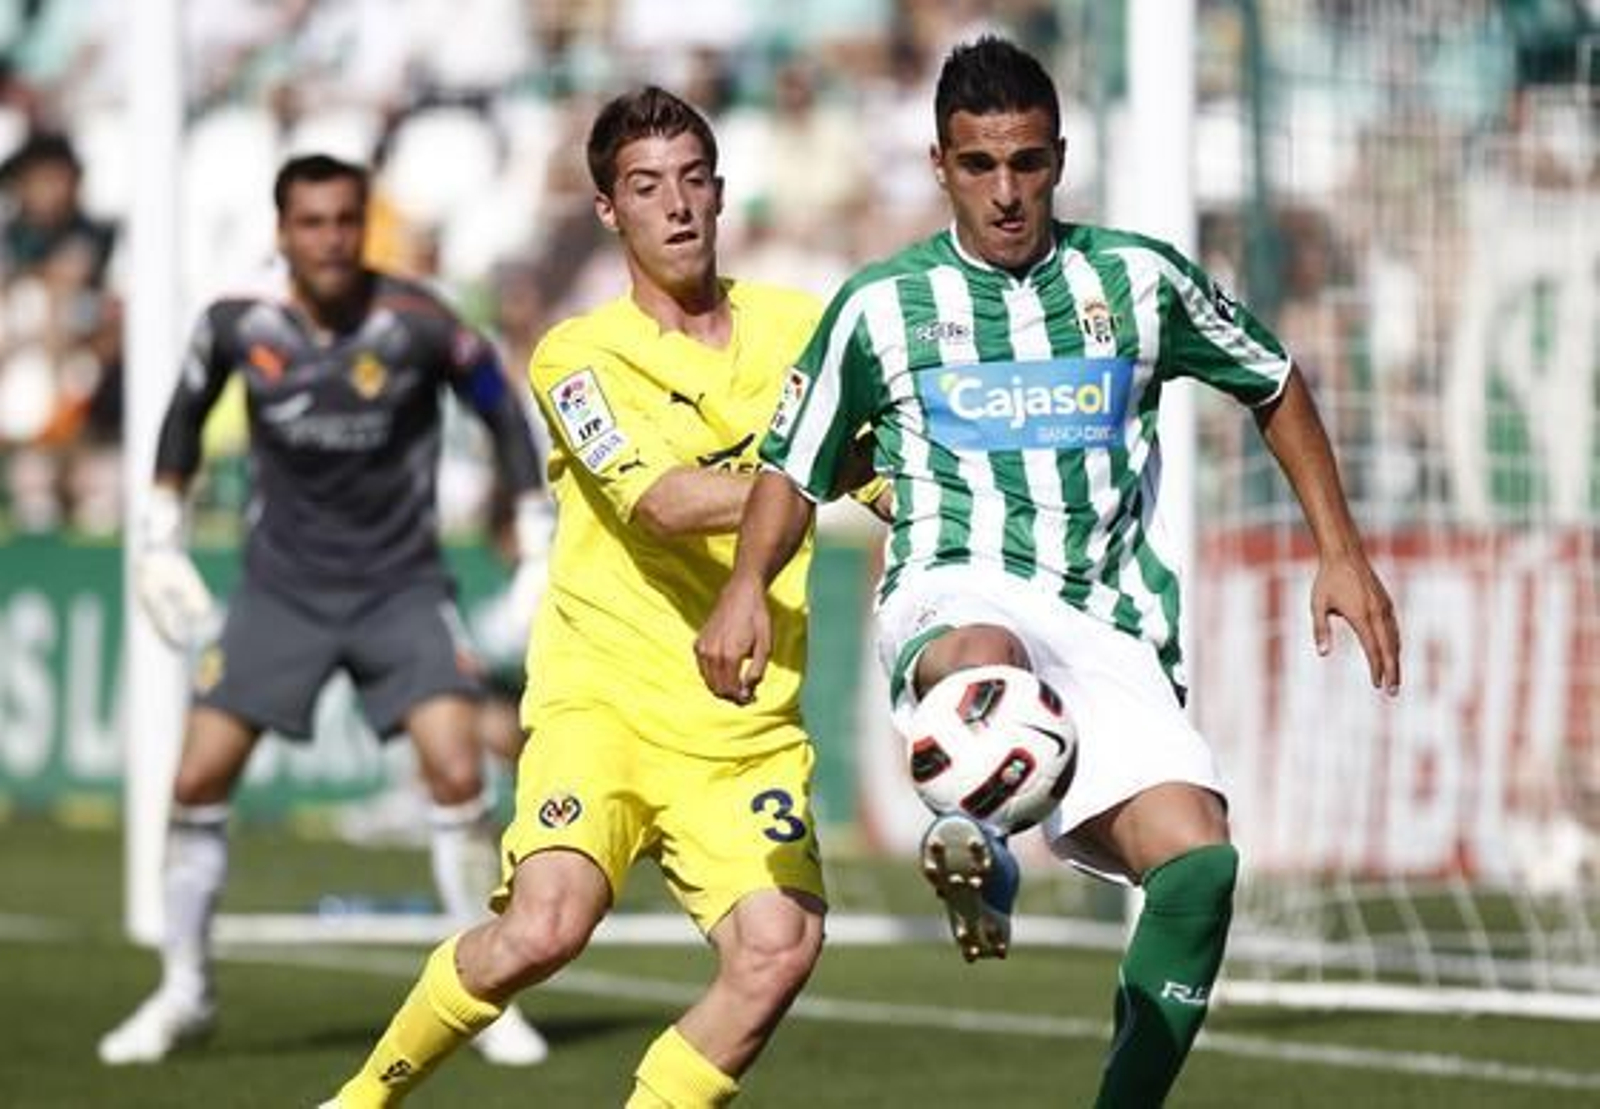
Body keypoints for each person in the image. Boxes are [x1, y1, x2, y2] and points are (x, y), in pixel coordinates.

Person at [697, 36, 1402, 1108]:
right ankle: (986, 842)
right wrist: (745, 584)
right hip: (955, 589)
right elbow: (793, 466)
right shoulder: (880, 306)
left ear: (1060, 159)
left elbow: (1271, 377)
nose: (1006, 191)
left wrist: (1339, 549)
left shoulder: (1138, 280)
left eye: (1027, 162)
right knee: (991, 661)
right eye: (979, 165)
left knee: (1199, 867)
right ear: (939, 165)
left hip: (1109, 620)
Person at [325, 86, 845, 1109]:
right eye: (646, 187)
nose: (677, 205)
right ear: (609, 209)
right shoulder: (575, 355)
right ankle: (359, 1101)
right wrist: (815, 473)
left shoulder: (806, 331)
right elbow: (663, 503)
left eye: (692, 180)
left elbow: (895, 469)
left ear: (721, 191)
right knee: (545, 926)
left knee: (779, 945)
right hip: (602, 702)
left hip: (742, 723)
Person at [98, 153, 552, 1068]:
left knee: (457, 770)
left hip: (403, 586)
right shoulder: (237, 324)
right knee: (197, 779)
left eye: (346, 220)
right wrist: (159, 538)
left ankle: (485, 997)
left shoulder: (420, 321)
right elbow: (183, 421)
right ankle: (184, 992)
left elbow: (502, 410)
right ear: (282, 231)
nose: (332, 239)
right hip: (282, 590)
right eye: (312, 222)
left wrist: (537, 536)